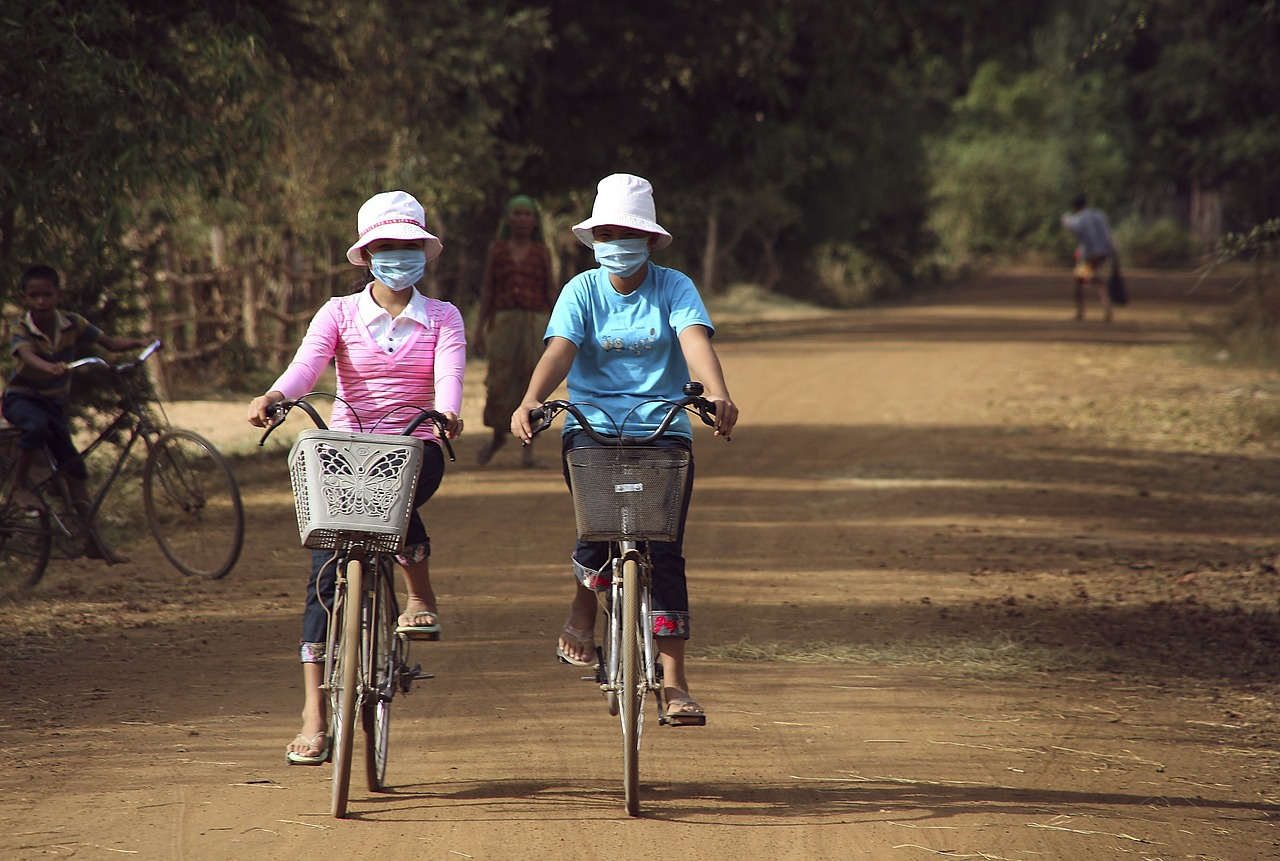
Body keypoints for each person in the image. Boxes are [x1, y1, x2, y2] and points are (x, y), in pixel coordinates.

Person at [247, 190, 466, 765]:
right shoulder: (338, 313)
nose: (398, 256)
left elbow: (449, 378)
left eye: (409, 246)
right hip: (344, 450)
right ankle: (314, 716)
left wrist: (446, 412)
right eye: (386, 246)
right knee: (323, 572)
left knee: (400, 494)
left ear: (424, 252)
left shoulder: (443, 316)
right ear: (367, 254)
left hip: (415, 445)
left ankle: (418, 593)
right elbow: (306, 367)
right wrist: (275, 396)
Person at [510, 173, 738, 723]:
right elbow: (560, 351)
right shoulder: (581, 291)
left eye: (629, 232)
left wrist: (719, 393)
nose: (618, 241)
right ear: (593, 239)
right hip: (589, 429)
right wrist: (531, 400)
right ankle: (585, 602)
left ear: (652, 239)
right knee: (597, 531)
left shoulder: (674, 287)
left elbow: (694, 341)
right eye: (608, 232)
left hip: (663, 432)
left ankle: (676, 682)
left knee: (665, 551)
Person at [3, 264, 153, 563]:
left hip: (54, 405)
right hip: (23, 398)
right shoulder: (21, 328)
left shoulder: (73, 323)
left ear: (59, 295)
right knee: (35, 426)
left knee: (75, 470)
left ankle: (94, 541)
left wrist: (138, 343)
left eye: (47, 294)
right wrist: (49, 367)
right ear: (25, 298)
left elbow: (108, 342)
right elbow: (27, 357)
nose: (41, 301)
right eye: (35, 296)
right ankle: (19, 486)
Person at [475, 195, 556, 468]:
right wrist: (478, 328)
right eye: (516, 214)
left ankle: (528, 452)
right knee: (500, 381)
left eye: (527, 214)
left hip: (536, 322)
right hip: (504, 323)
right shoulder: (496, 250)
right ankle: (498, 435)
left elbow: (550, 290)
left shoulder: (541, 251)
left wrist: (559, 331)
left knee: (532, 382)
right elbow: (488, 289)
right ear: (508, 219)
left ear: (534, 221)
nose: (521, 219)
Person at [1062, 195, 1118, 322]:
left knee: (1080, 281)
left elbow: (1070, 225)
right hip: (1103, 254)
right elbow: (1108, 235)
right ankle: (1107, 308)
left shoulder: (1080, 218)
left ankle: (1081, 313)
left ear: (1076, 207)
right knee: (1097, 279)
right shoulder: (1099, 215)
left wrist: (1065, 218)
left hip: (1089, 254)